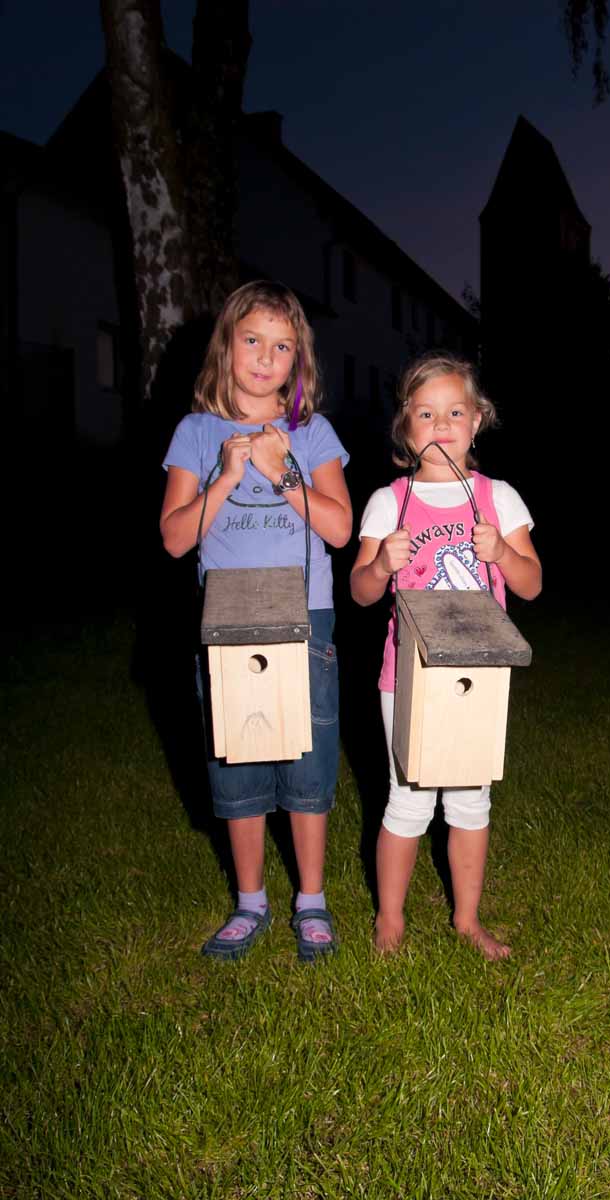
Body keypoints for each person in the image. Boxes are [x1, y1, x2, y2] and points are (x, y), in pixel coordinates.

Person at [161, 280, 351, 962]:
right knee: (237, 760)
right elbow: (175, 539)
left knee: (307, 758)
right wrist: (223, 478)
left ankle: (311, 900)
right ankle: (250, 901)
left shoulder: (312, 432)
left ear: (299, 360)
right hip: (228, 618)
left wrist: (283, 474)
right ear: (227, 346)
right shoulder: (195, 432)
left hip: (305, 614)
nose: (266, 358)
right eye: (252, 340)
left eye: (282, 346)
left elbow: (339, 528)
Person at [350, 352, 541, 959]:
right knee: (407, 799)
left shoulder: (498, 497)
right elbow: (360, 592)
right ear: (406, 426)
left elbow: (532, 585)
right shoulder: (390, 501)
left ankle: (467, 919)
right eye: (426, 413)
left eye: (455, 412)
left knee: (469, 800)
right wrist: (381, 564)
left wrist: (502, 554)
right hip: (406, 680)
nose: (441, 425)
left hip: (477, 680)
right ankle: (390, 919)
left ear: (477, 421)